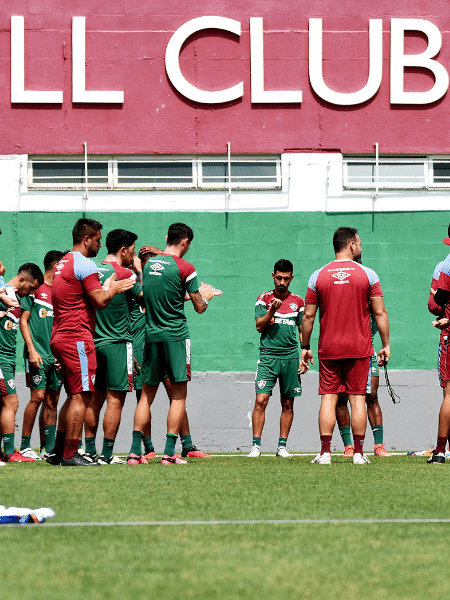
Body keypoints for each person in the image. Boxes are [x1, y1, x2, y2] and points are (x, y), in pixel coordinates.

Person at [47, 218, 134, 466]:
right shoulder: (84, 264)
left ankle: (57, 451)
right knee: (83, 395)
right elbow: (99, 301)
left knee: (73, 394)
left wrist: (106, 287)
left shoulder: (63, 261)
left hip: (60, 335)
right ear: (86, 239)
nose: (99, 245)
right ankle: (71, 454)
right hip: (77, 337)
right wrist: (113, 288)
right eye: (96, 240)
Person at [128, 223, 216, 465]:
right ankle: (169, 453)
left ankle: (135, 453)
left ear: (167, 237)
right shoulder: (186, 267)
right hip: (176, 337)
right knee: (178, 397)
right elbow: (199, 307)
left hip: (151, 336)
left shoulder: (148, 266)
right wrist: (205, 297)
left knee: (146, 395)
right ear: (185, 242)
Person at [301, 227, 390, 465]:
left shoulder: (317, 275)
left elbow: (308, 317)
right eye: (359, 244)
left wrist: (305, 346)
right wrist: (386, 344)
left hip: (328, 348)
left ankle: (326, 453)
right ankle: (359, 454)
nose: (361, 248)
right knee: (357, 399)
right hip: (359, 347)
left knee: (328, 399)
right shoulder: (369, 274)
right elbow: (379, 312)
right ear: (351, 244)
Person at [83, 229, 143, 464]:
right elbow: (145, 298)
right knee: (114, 400)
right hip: (118, 344)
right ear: (123, 250)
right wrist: (138, 271)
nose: (133, 255)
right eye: (133, 251)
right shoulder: (125, 273)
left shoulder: (89, 271)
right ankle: (107, 455)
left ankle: (89, 451)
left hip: (93, 343)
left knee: (93, 400)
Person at [247, 259, 304, 458]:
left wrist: (305, 352)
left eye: (286, 278)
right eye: (278, 277)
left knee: (288, 403)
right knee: (261, 400)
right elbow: (259, 327)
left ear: (291, 278)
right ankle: (255, 446)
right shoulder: (264, 298)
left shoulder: (298, 301)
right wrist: (272, 309)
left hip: (290, 357)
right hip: (268, 357)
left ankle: (282, 446)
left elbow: (302, 329)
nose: (281, 282)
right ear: (273, 275)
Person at [18, 250, 65, 460]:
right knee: (37, 397)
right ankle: (25, 446)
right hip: (36, 354)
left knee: (52, 402)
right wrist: (32, 349)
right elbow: (23, 321)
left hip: (54, 357)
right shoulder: (36, 289)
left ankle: (48, 448)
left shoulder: (61, 292)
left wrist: (61, 353)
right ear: (56, 266)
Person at [0, 263, 44, 462]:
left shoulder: (16, 298)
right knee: (12, 402)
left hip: (8, 358)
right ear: (22, 280)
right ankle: (10, 452)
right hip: (1, 358)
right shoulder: (3, 294)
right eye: (32, 288)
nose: (32, 292)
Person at [426, 229, 450, 463]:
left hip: (449, 334)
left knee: (449, 395)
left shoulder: (445, 266)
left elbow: (435, 304)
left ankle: (441, 450)